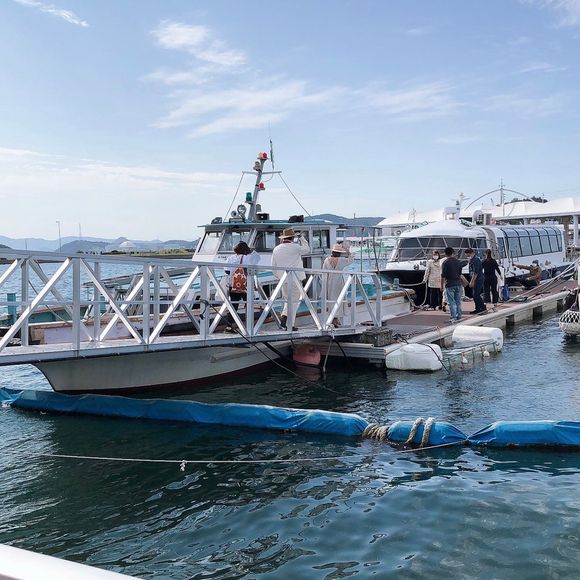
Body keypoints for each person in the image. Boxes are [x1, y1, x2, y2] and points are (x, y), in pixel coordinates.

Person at [271, 228, 310, 330]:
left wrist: (279, 277)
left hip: (283, 279)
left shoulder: (276, 249)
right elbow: (307, 249)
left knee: (287, 300)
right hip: (295, 279)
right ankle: (290, 324)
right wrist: (301, 238)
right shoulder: (295, 247)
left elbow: (273, 266)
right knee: (294, 302)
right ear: (292, 237)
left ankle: (284, 318)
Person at [223, 241, 260, 332]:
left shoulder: (230, 258)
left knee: (234, 305)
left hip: (233, 285)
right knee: (249, 304)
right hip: (245, 285)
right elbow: (257, 257)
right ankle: (249, 327)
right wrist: (252, 250)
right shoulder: (247, 258)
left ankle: (229, 326)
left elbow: (226, 270)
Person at [322, 242, 353, 326]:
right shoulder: (342, 260)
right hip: (339, 281)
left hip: (330, 281)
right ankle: (336, 318)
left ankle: (333, 318)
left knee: (331, 299)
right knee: (339, 298)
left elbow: (324, 272)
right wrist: (348, 251)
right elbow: (351, 260)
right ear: (339, 253)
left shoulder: (327, 260)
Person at [440, 246, 463, 323]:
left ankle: (453, 317)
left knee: (451, 301)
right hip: (458, 283)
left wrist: (441, 286)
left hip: (449, 284)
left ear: (445, 253)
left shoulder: (445, 263)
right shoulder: (458, 262)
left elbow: (443, 275)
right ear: (453, 253)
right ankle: (459, 316)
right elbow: (460, 273)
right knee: (458, 301)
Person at [465, 248, 486, 314]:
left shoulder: (476, 260)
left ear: (471, 253)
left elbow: (475, 272)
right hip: (475, 279)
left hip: (478, 279)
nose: (467, 257)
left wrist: (472, 281)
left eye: (468, 255)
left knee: (476, 294)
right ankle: (478, 308)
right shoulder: (472, 260)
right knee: (475, 295)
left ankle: (482, 307)